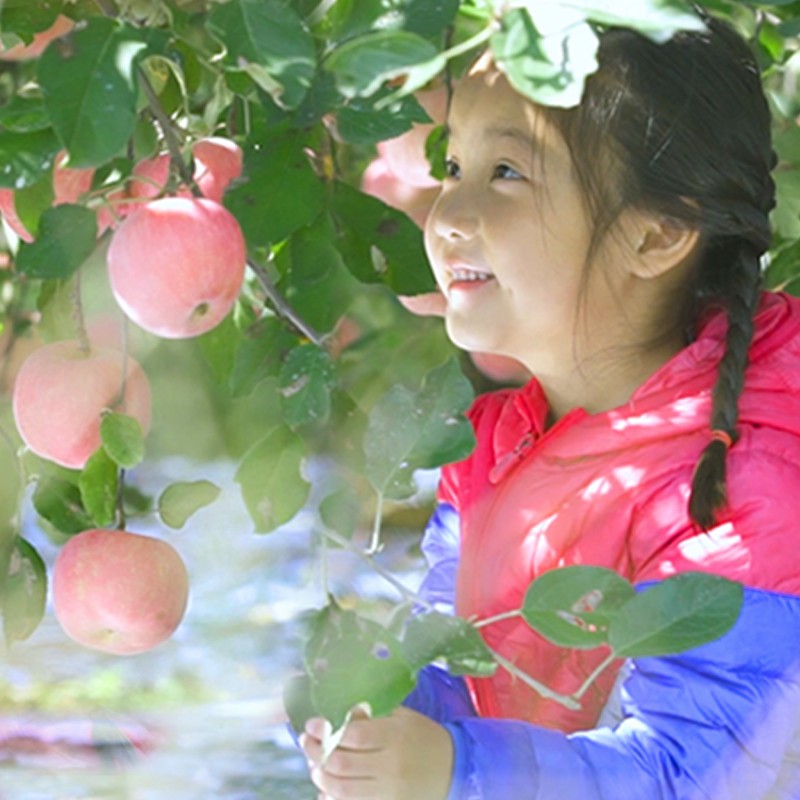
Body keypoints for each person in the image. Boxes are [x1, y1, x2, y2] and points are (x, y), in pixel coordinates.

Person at [301, 8, 800, 799]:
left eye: (507, 174)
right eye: (455, 166)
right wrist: (384, 712)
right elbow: (471, 673)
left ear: (655, 236)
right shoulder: (498, 451)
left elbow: (690, 777)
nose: (449, 216)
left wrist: (453, 771)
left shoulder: (744, 487)